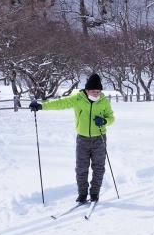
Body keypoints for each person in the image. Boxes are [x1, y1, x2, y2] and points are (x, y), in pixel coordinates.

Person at [29, 73, 115, 204]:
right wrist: (41, 106)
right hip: (82, 139)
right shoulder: (78, 99)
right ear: (87, 90)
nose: (97, 94)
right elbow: (60, 103)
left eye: (98, 91)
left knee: (98, 167)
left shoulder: (104, 101)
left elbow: (111, 118)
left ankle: (94, 193)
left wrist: (104, 121)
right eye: (94, 91)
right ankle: (82, 193)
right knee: (81, 167)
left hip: (99, 139)